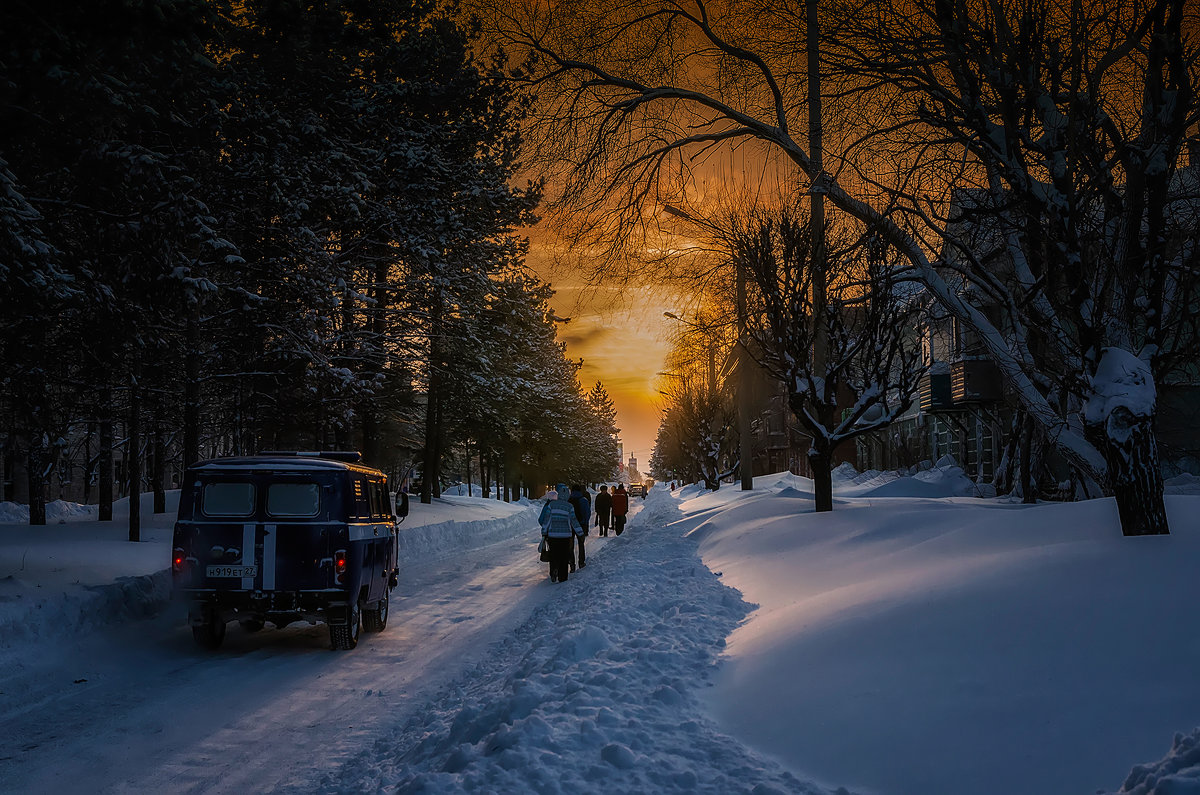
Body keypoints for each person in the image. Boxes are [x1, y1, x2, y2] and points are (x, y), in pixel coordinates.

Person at [539, 489, 584, 583]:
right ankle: (562, 576)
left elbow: (547, 520)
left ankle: (553, 571)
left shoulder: (552, 505)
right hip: (565, 536)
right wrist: (580, 533)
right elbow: (574, 521)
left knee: (553, 555)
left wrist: (544, 532)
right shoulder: (569, 506)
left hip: (553, 535)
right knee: (564, 556)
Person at [568, 485, 591, 568]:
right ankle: (581, 562)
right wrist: (585, 523)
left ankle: (572, 564)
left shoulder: (568, 500)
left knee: (570, 545)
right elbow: (587, 513)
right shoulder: (584, 500)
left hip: (570, 525)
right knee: (581, 544)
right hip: (581, 525)